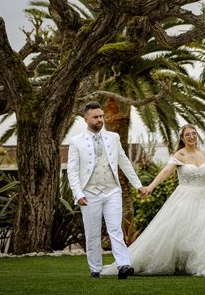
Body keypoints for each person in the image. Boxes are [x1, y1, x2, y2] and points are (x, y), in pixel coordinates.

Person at [101, 124, 205, 277]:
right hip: (184, 197)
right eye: (188, 134)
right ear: (182, 138)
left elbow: (202, 175)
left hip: (204, 197)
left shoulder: (202, 154)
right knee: (177, 232)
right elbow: (166, 171)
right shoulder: (179, 155)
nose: (192, 137)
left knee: (202, 231)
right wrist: (150, 187)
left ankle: (200, 262)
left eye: (194, 134)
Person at [67, 101, 148, 280]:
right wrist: (78, 193)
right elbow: (72, 170)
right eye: (95, 117)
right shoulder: (76, 142)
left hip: (112, 190)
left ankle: (123, 265)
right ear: (85, 118)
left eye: (101, 116)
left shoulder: (113, 137)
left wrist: (138, 185)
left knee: (115, 229)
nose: (100, 120)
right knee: (92, 233)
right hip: (88, 194)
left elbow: (124, 162)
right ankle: (95, 269)